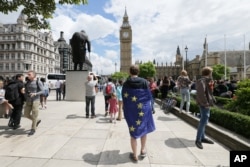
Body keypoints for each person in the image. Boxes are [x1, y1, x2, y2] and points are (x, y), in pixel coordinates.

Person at [122, 65, 156, 163]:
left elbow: (125, 98)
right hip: (143, 110)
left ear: (130, 72)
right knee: (143, 129)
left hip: (131, 110)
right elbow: (149, 96)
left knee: (133, 132)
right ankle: (143, 150)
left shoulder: (126, 83)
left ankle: (135, 155)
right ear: (138, 72)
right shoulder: (144, 82)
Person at [195, 67, 215, 149]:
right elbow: (200, 93)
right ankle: (198, 140)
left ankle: (202, 137)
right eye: (211, 72)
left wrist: (212, 98)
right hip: (204, 104)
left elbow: (208, 91)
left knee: (204, 120)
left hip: (206, 103)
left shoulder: (206, 80)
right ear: (209, 73)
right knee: (203, 120)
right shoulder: (202, 81)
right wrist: (205, 103)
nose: (212, 74)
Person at [24, 70, 44, 136]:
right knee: (26, 114)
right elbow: (26, 91)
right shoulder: (27, 82)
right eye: (28, 74)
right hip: (28, 100)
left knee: (34, 114)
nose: (28, 75)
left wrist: (35, 93)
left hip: (36, 100)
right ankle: (37, 120)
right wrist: (26, 93)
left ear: (34, 75)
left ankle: (33, 129)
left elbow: (42, 91)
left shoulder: (38, 82)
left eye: (29, 74)